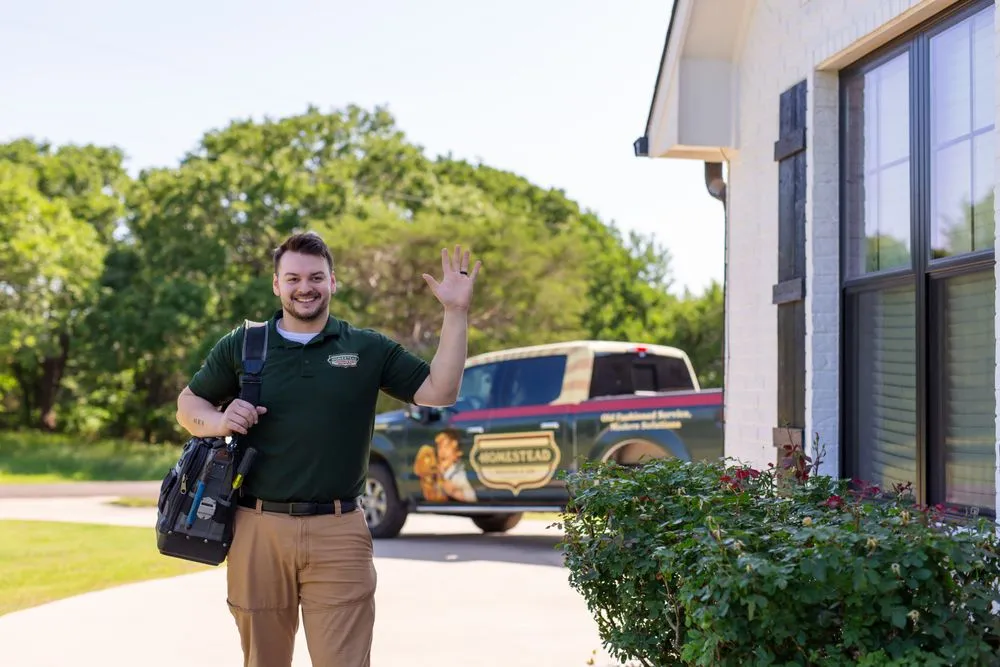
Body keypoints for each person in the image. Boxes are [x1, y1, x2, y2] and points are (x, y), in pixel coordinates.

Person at [174, 231, 481, 667]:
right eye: (293, 278)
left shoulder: (366, 347)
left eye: (316, 277)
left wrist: (455, 312)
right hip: (257, 528)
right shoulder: (245, 344)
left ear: (333, 282)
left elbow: (441, 390)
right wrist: (220, 421)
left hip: (339, 532)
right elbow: (188, 405)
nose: (305, 287)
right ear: (277, 284)